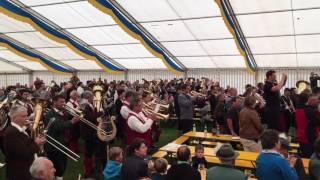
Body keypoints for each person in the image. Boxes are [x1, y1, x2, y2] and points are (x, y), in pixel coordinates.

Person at [3, 105, 46, 180]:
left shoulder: (20, 129)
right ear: (14, 117)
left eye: (27, 116)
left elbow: (27, 144)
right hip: (20, 173)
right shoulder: (12, 132)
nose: (27, 119)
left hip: (26, 169)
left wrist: (32, 132)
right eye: (24, 116)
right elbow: (24, 152)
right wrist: (37, 143)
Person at [43, 95, 80, 180]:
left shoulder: (63, 112)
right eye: (61, 102)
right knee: (58, 168)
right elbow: (58, 126)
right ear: (54, 102)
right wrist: (72, 121)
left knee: (63, 167)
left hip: (63, 143)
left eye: (64, 101)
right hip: (54, 145)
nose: (64, 104)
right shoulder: (50, 114)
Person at [79, 91, 106, 179]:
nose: (94, 98)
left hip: (91, 132)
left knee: (91, 152)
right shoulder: (84, 105)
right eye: (92, 97)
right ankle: (88, 172)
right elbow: (90, 117)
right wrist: (100, 113)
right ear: (88, 97)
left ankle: (91, 169)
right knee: (89, 153)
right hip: (89, 133)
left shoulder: (88, 104)